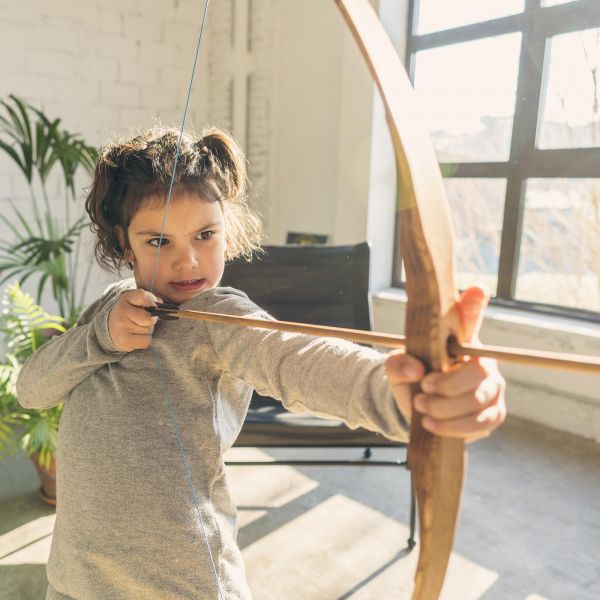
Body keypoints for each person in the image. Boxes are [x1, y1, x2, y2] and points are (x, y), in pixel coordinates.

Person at [17, 127, 506, 600]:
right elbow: (32, 388)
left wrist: (402, 396)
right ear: (125, 244)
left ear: (227, 230)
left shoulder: (220, 314)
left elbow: (292, 358)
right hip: (75, 579)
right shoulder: (110, 306)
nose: (187, 262)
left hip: (183, 583)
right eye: (159, 242)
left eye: (205, 235)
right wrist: (101, 337)